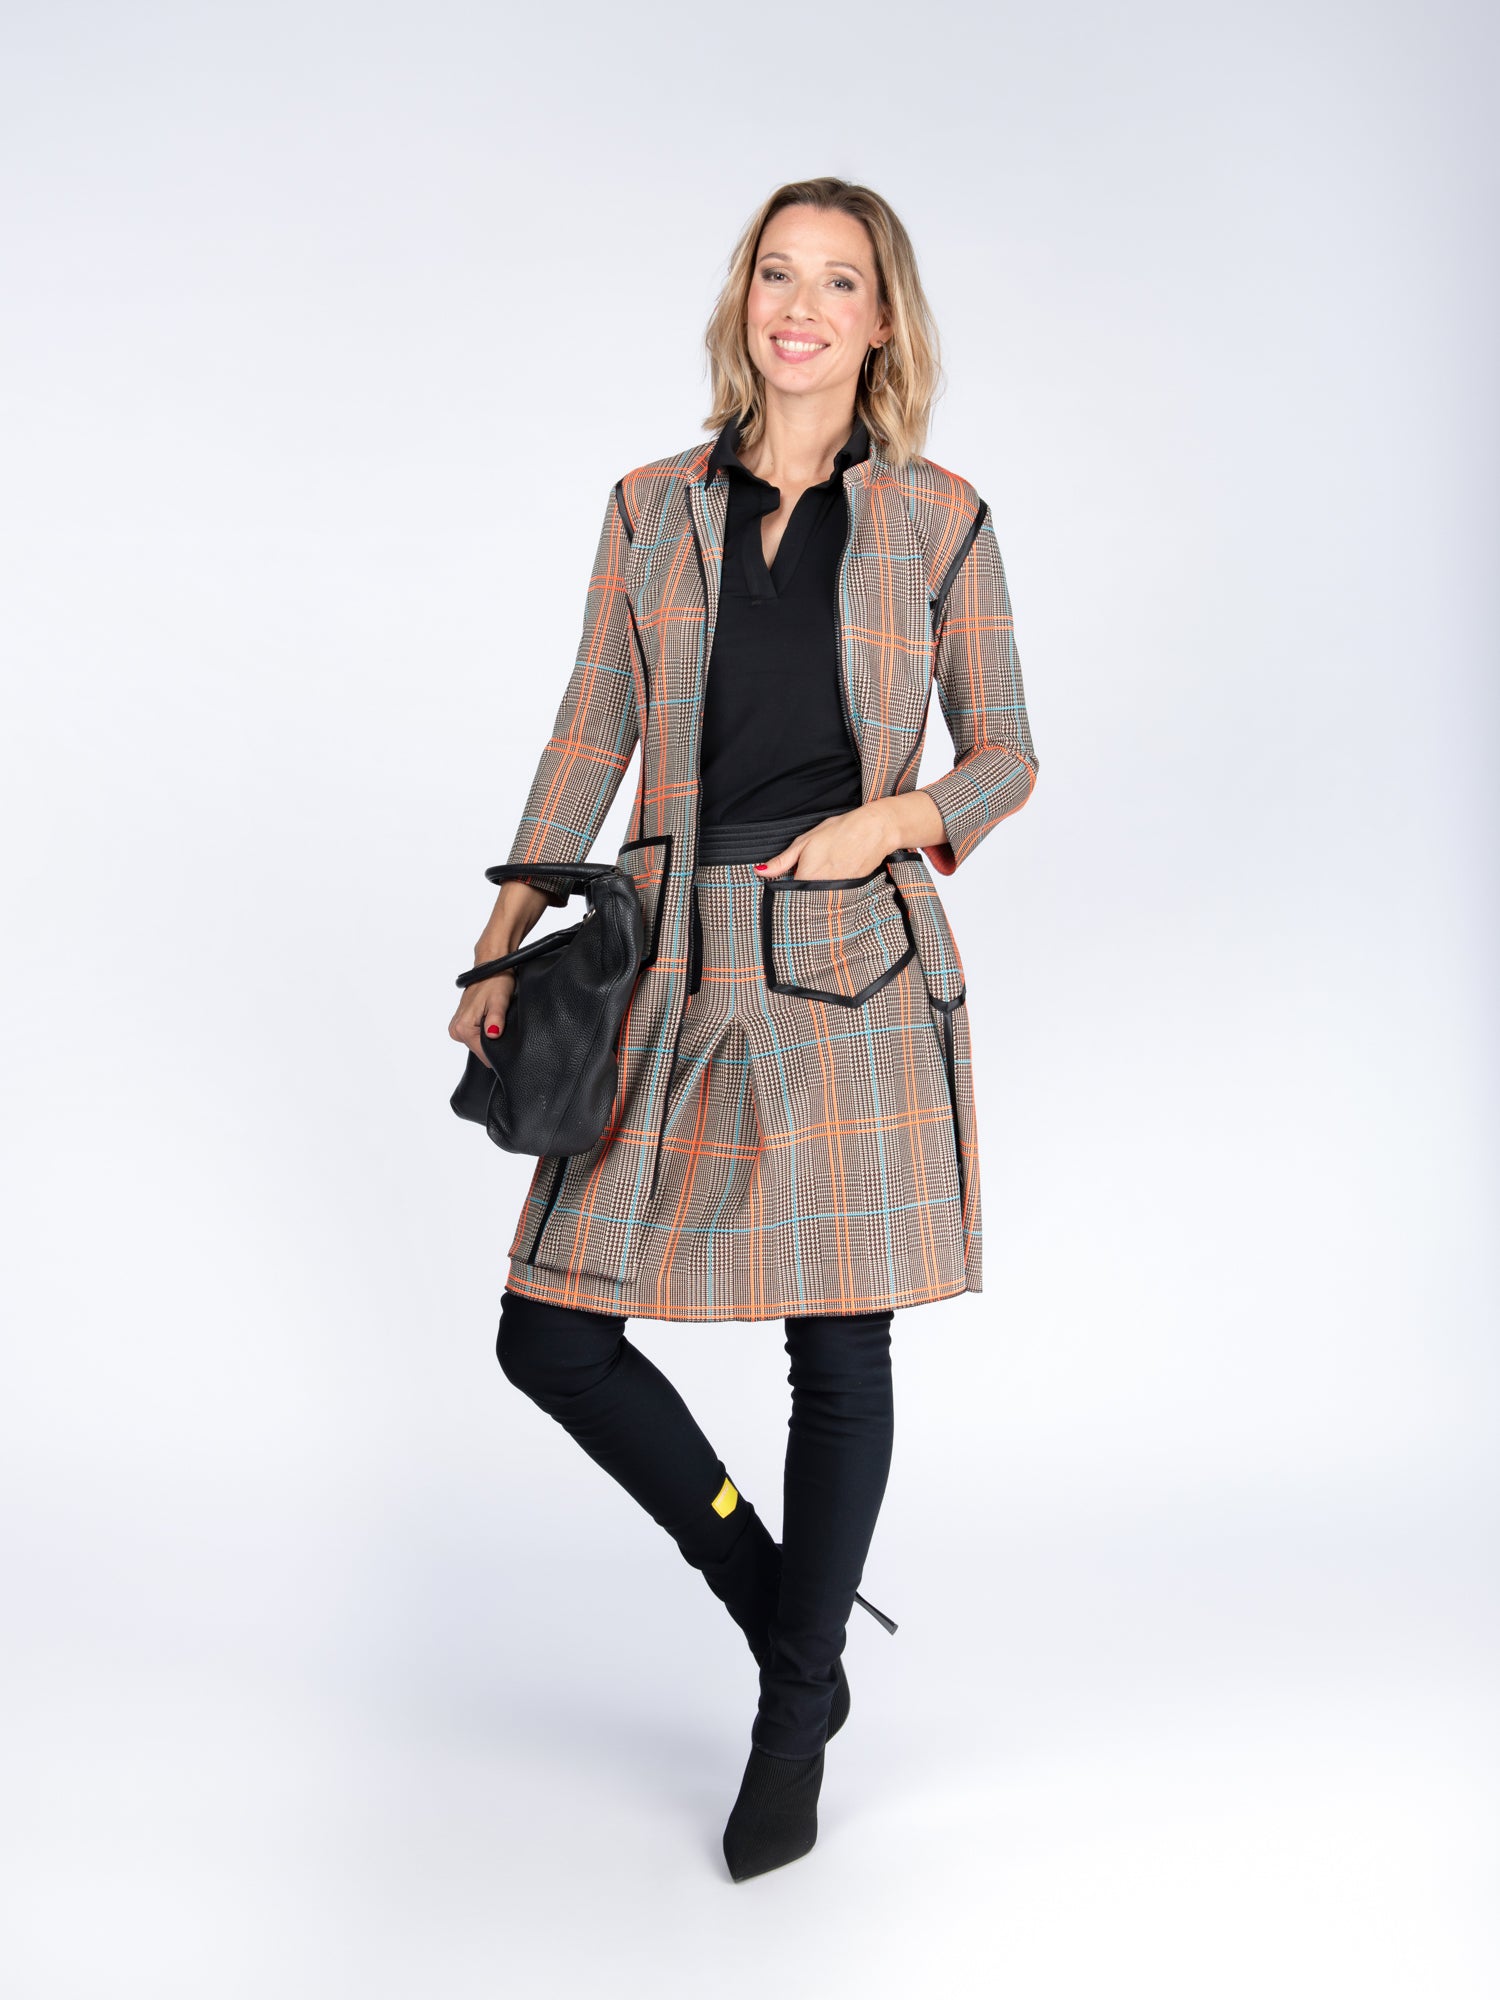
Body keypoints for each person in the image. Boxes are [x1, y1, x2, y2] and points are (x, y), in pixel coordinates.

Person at [448, 177, 1038, 1881]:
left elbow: (1005, 751)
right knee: (550, 1334)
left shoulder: (940, 518)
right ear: (746, 301)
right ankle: (782, 1606)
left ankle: (791, 1718)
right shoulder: (650, 509)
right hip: (676, 952)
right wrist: (499, 939)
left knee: (837, 1352)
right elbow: (589, 732)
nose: (801, 306)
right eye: (778, 274)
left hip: (850, 955)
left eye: (838, 282)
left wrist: (890, 824)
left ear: (880, 322)